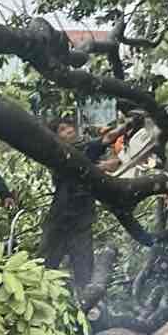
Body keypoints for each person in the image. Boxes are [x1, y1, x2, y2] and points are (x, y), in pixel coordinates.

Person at [41, 118, 128, 289]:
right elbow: (80, 167)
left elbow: (106, 139)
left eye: (69, 127)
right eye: (62, 129)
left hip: (83, 217)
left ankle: (86, 300)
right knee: (46, 262)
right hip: (61, 218)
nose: (69, 131)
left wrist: (126, 126)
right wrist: (102, 167)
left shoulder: (86, 148)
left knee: (84, 264)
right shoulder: (57, 155)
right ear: (56, 137)